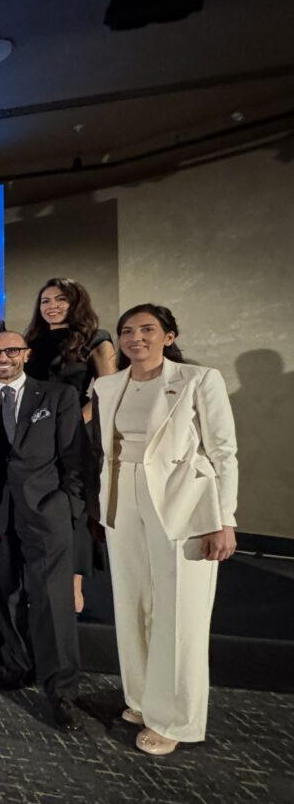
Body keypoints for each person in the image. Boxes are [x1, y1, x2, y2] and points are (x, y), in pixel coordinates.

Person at [92, 304, 238, 756]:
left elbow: (223, 452)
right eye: (127, 331)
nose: (137, 337)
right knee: (133, 602)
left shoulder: (198, 380)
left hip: (185, 502)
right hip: (123, 497)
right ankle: (140, 698)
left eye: (148, 329)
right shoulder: (106, 384)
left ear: (169, 336)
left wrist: (225, 519)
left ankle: (175, 717)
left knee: (180, 611)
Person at [0, 332, 86, 730]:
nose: (2, 358)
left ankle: (61, 690)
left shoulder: (56, 396)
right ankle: (16, 666)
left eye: (10, 350)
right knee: (4, 594)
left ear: (26, 354)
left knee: (52, 600)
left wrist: (67, 506)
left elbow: (76, 458)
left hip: (46, 513)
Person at [24, 276, 119, 612]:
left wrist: (72, 420)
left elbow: (107, 391)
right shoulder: (32, 340)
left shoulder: (97, 339)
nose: (52, 306)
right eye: (45, 300)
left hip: (77, 431)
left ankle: (74, 587)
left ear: (75, 302)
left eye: (60, 299)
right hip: (35, 434)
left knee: (72, 507)